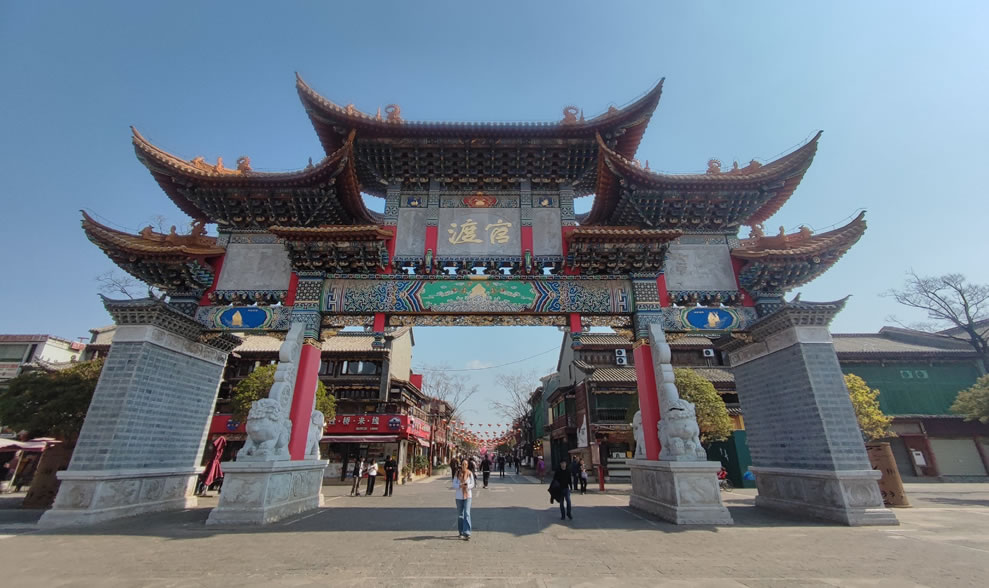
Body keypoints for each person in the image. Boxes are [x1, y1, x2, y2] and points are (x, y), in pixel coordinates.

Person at [452, 459, 475, 540]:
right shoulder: (457, 473)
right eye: (463, 464)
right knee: (460, 515)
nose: (464, 466)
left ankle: (467, 532)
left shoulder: (470, 473)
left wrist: (467, 486)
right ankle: (461, 532)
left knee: (467, 513)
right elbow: (454, 484)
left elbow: (473, 484)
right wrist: (460, 486)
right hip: (459, 497)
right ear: (461, 465)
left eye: (465, 464)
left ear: (467, 465)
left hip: (468, 496)